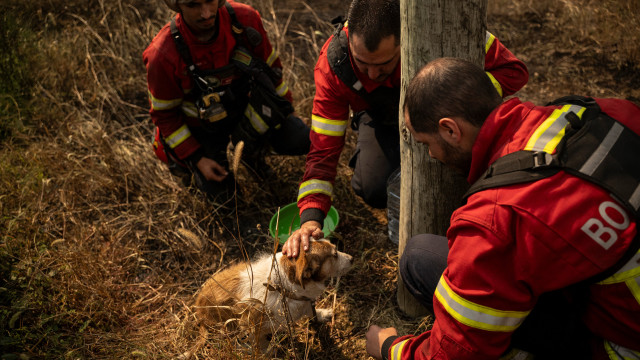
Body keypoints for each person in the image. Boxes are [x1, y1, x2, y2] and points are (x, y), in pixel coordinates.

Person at [365, 57, 640, 359]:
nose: (430, 154)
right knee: (421, 256)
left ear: (450, 130)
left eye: (426, 143)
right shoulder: (605, 113)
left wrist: (389, 347)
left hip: (620, 345)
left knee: (420, 260)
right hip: (611, 299)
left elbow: (453, 355)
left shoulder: (495, 217)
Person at [282, 0, 529, 257]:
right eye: (362, 63)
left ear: (406, 37)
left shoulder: (443, 28)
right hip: (382, 117)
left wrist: (458, 98)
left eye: (384, 64)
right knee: (374, 188)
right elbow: (322, 152)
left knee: (460, 180)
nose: (372, 74)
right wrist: (311, 218)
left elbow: (514, 71)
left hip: (442, 115)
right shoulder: (334, 65)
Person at [144, 0, 310, 202]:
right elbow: (165, 115)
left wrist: (288, 109)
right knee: (223, 201)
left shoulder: (245, 20)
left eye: (210, 1)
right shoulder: (162, 54)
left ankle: (251, 153)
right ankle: (187, 170)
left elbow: (271, 71)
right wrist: (197, 159)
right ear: (176, 5)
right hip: (201, 128)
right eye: (193, 5)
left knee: (300, 137)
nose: (205, 14)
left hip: (244, 110)